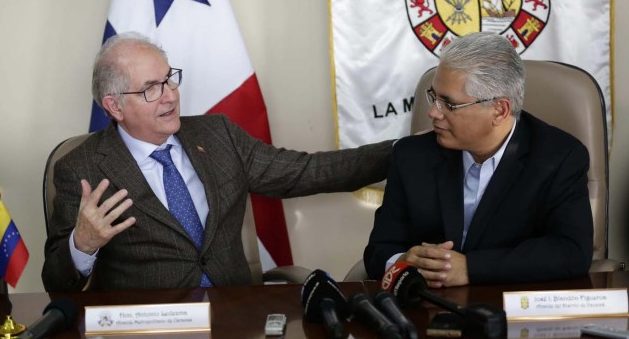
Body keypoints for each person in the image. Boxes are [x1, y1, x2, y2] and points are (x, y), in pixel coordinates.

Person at [42, 32, 393, 292]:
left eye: (169, 79)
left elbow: (303, 172)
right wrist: (81, 244)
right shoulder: (82, 168)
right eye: (151, 88)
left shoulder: (217, 134)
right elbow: (57, 283)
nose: (170, 96)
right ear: (114, 106)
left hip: (236, 316)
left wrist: (400, 152)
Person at [364, 32, 593, 287]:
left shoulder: (559, 157)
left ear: (499, 110)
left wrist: (471, 268)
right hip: (426, 309)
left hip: (511, 308)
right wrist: (403, 261)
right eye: (434, 97)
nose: (432, 113)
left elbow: (572, 251)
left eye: (448, 104)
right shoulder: (412, 156)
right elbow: (378, 250)